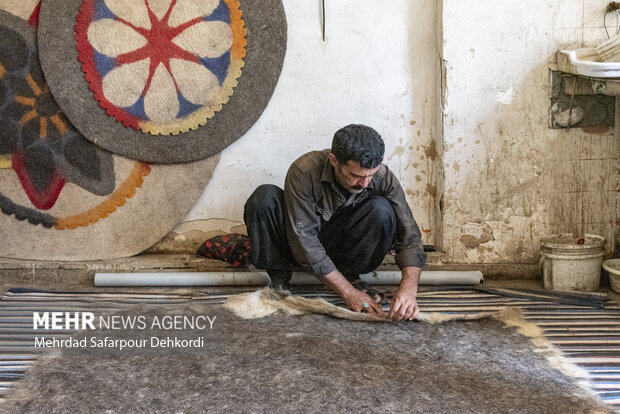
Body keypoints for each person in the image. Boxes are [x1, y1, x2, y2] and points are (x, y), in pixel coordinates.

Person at [243, 124, 426, 321]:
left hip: (342, 245)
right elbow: (305, 241)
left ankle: (350, 275)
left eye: (370, 176)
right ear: (334, 161)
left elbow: (410, 238)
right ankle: (279, 279)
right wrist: (349, 294)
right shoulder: (304, 171)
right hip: (298, 245)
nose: (364, 184)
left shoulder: (383, 177)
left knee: (381, 209)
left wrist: (408, 290)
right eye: (355, 175)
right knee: (263, 198)